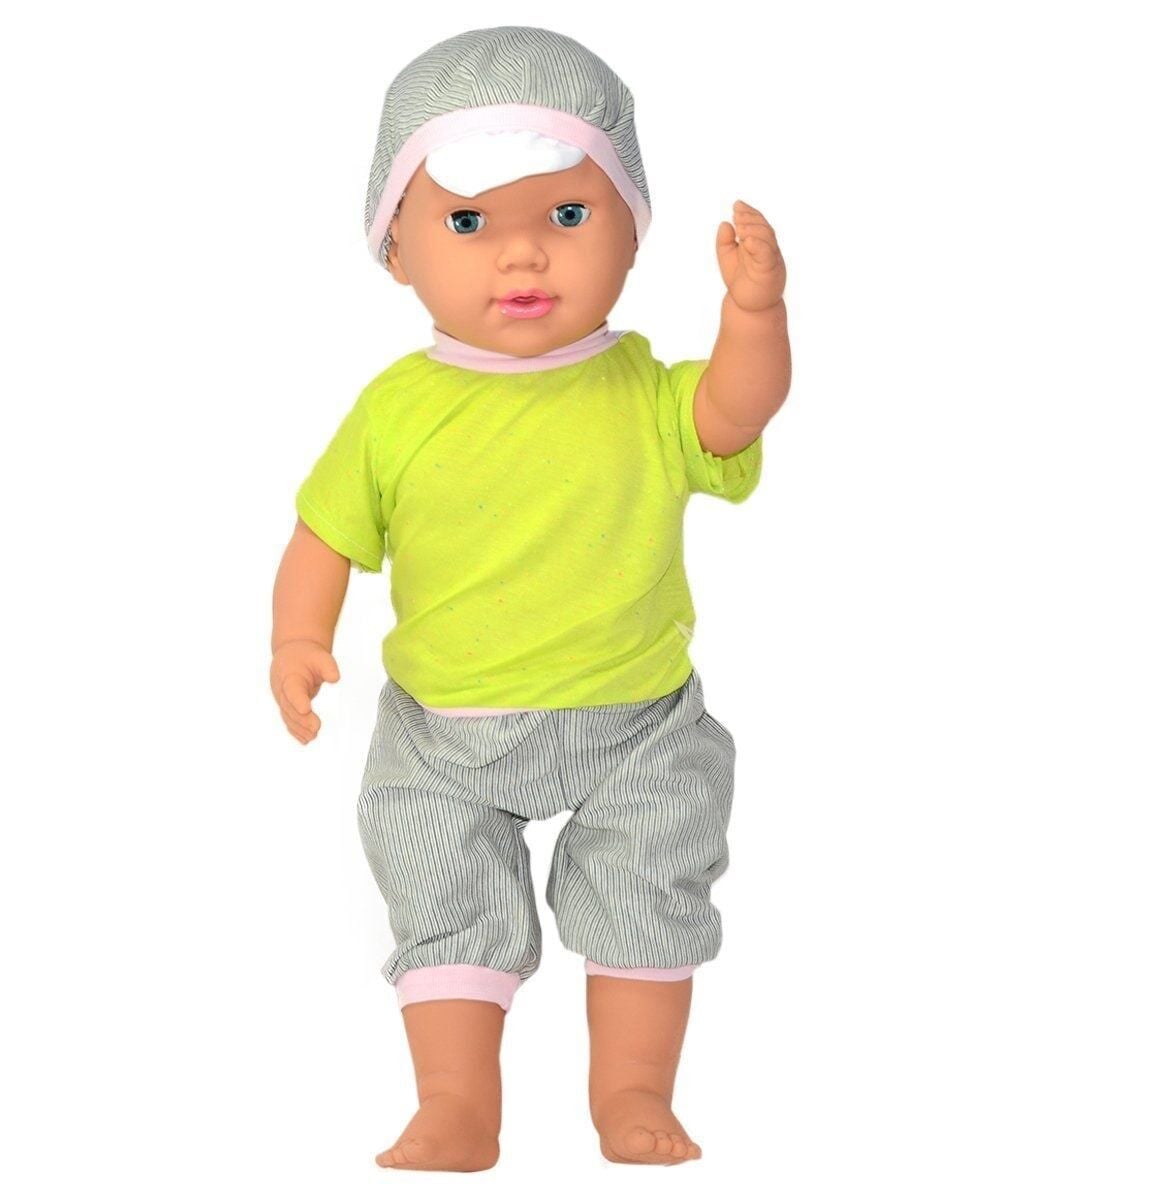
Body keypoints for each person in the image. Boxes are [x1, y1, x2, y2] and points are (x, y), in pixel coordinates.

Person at [269, 26, 790, 1172]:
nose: (522, 255)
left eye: (567, 215)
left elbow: (734, 414)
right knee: (440, 891)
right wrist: (299, 635)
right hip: (442, 733)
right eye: (467, 223)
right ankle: (458, 1104)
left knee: (649, 883)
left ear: (633, 232)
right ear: (395, 250)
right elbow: (325, 533)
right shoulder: (395, 410)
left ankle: (633, 1091)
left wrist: (753, 318)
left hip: (635, 722)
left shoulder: (647, 391)